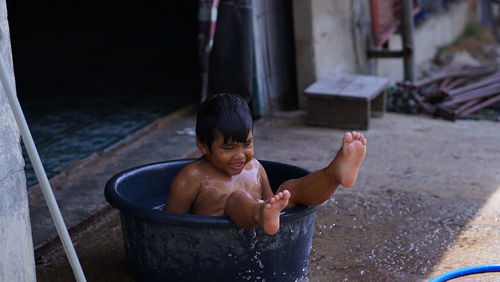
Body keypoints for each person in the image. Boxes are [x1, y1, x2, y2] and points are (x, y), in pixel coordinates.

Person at [165, 93, 367, 235]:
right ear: (203, 145)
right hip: (218, 241)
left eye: (247, 144)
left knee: (289, 191)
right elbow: (169, 224)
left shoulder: (254, 167)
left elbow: (274, 203)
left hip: (262, 226)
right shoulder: (192, 176)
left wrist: (277, 205)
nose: (240, 156)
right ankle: (259, 213)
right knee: (237, 200)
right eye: (228, 148)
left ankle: (333, 174)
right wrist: (264, 211)